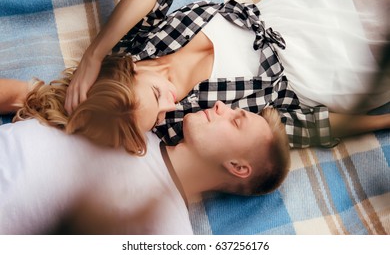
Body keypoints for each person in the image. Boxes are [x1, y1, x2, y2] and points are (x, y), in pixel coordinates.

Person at [1, 0, 390, 155]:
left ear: (130, 70)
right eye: (157, 117)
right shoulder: (181, 126)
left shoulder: (135, 45)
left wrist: (95, 53)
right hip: (331, 68)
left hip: (301, 7)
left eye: (157, 96)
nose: (169, 106)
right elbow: (300, 129)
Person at [0, 100, 290, 234]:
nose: (220, 105)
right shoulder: (140, 120)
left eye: (235, 120)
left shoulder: (169, 232)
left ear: (238, 166)